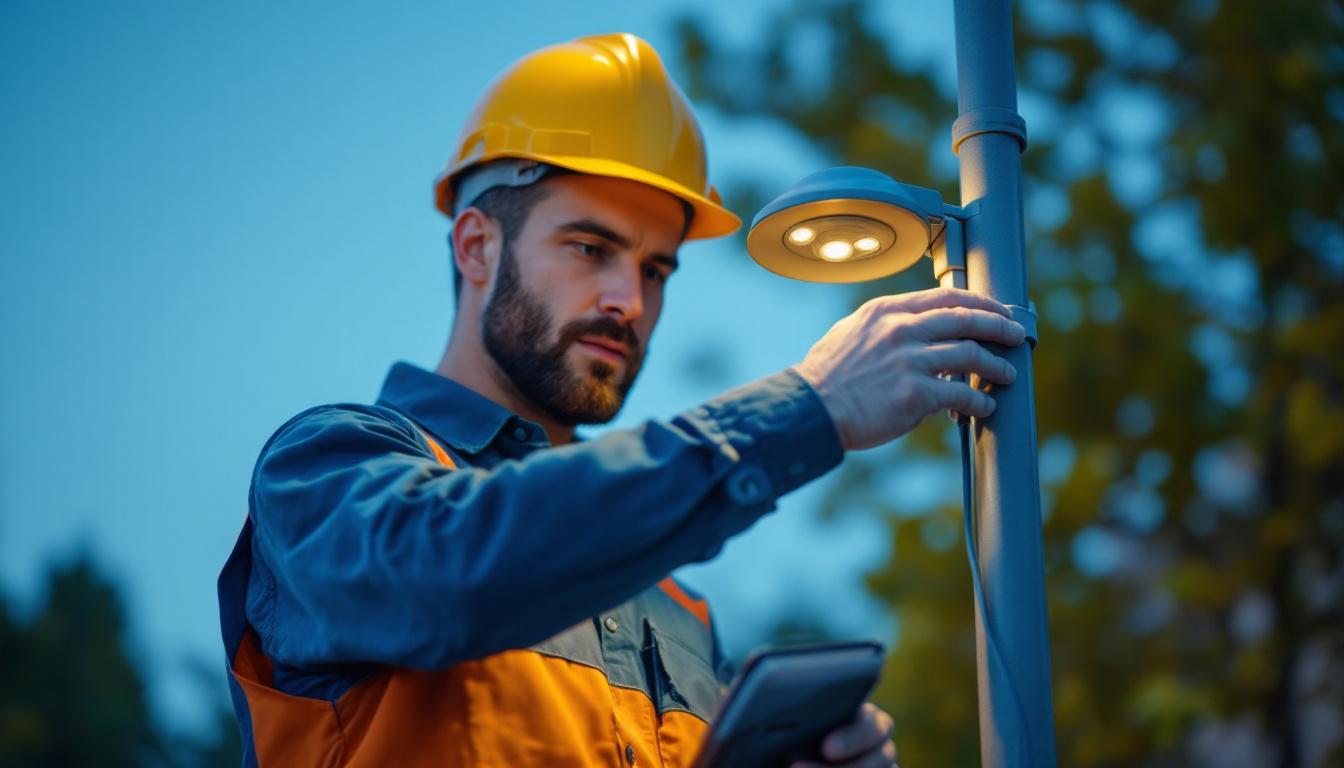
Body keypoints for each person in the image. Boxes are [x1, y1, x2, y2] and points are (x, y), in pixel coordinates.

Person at [217, 32, 1024, 768]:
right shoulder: (324, 471)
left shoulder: (673, 606)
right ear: (476, 246)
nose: (628, 300)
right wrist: (807, 408)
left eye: (655, 269)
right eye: (590, 247)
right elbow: (454, 571)